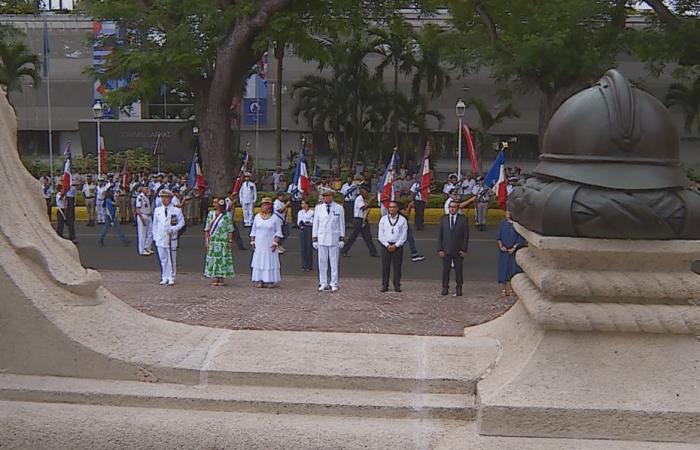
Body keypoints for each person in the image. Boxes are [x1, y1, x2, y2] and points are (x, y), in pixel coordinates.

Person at [312, 188, 345, 292]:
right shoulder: (318, 208)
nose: (326, 198)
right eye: (325, 196)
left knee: (334, 262)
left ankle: (334, 283)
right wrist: (314, 239)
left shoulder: (339, 208)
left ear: (332, 197)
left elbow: (341, 224)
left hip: (334, 238)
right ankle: (323, 282)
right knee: (322, 262)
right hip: (322, 238)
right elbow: (315, 224)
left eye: (329, 196)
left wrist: (341, 238)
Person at [152, 190, 185, 285]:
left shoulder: (176, 210)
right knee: (163, 258)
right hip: (160, 237)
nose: (164, 199)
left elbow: (182, 223)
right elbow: (155, 225)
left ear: (170, 198)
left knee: (171, 258)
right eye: (162, 197)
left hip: (171, 238)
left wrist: (174, 229)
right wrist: (155, 237)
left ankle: (171, 276)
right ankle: (164, 276)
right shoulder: (157, 210)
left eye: (166, 197)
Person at [250, 197, 284, 288]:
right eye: (263, 205)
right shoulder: (257, 217)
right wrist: (253, 242)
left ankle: (270, 280)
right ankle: (259, 280)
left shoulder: (275, 218)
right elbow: (253, 230)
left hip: (269, 243)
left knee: (269, 261)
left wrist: (275, 243)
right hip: (259, 243)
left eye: (266, 205)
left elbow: (278, 232)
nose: (264, 206)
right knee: (259, 260)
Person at [438, 201, 470, 297]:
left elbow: (466, 235)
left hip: (458, 249)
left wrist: (464, 249)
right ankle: (445, 287)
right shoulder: (444, 219)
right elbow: (440, 235)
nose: (452, 209)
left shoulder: (463, 219)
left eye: (454, 207)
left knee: (458, 270)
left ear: (457, 208)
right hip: (446, 249)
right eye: (450, 207)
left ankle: (459, 287)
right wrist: (440, 249)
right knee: (446, 270)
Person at [378, 201, 408, 293]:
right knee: (385, 267)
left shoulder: (402, 220)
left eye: (394, 207)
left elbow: (404, 235)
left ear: (397, 208)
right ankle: (385, 285)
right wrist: (387, 245)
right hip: (386, 246)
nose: (392, 209)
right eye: (390, 207)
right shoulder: (383, 219)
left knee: (397, 267)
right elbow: (380, 235)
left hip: (397, 246)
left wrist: (396, 245)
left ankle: (397, 285)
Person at [204, 197, 235, 286]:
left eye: (215, 202)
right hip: (213, 241)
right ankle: (215, 276)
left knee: (222, 259)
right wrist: (206, 240)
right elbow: (207, 228)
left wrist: (229, 241)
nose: (214, 204)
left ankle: (221, 277)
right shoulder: (211, 214)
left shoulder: (227, 215)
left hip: (223, 241)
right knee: (213, 259)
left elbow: (230, 229)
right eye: (213, 202)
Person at [342, 184, 378, 258]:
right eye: (366, 192)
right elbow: (363, 208)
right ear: (362, 191)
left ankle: (373, 252)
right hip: (358, 220)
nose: (367, 193)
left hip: (363, 220)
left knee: (368, 237)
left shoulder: (363, 199)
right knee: (353, 237)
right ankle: (343, 250)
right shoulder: (359, 199)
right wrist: (371, 200)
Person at [497, 210, 525, 297]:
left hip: (513, 251)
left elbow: (520, 237)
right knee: (503, 270)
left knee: (513, 270)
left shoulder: (517, 224)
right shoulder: (502, 223)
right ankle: (504, 289)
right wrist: (501, 246)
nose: (508, 214)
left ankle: (513, 290)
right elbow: (499, 236)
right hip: (504, 251)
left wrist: (514, 247)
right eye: (507, 212)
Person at [135, 186, 154, 255]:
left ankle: (147, 246)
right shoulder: (140, 197)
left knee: (151, 232)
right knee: (142, 234)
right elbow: (137, 209)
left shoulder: (146, 197)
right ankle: (142, 250)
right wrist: (142, 219)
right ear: (142, 189)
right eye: (146, 188)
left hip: (148, 215)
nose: (147, 190)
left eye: (147, 188)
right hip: (142, 215)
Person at [297, 199, 314, 272]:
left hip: (309, 229)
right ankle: (304, 265)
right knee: (303, 247)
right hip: (303, 229)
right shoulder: (300, 212)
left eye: (304, 203)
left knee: (309, 247)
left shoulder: (312, 212)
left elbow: (312, 221)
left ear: (307, 204)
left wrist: (308, 222)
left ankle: (309, 265)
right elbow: (299, 221)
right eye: (302, 203)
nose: (302, 205)